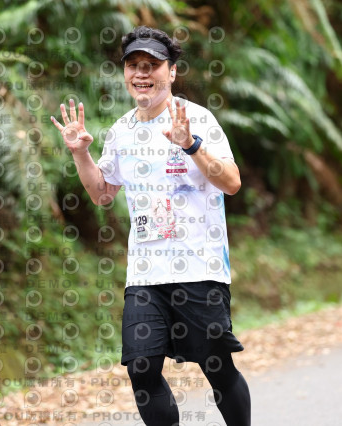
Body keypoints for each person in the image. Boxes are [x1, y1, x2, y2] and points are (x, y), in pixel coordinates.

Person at [51, 26, 251, 426]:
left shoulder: (198, 119)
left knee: (216, 365)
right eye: (133, 65)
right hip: (145, 273)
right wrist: (80, 154)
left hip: (200, 267)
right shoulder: (121, 131)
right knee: (141, 369)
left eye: (152, 65)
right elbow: (102, 193)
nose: (142, 73)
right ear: (125, 73)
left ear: (171, 71)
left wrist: (190, 145)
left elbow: (231, 183)